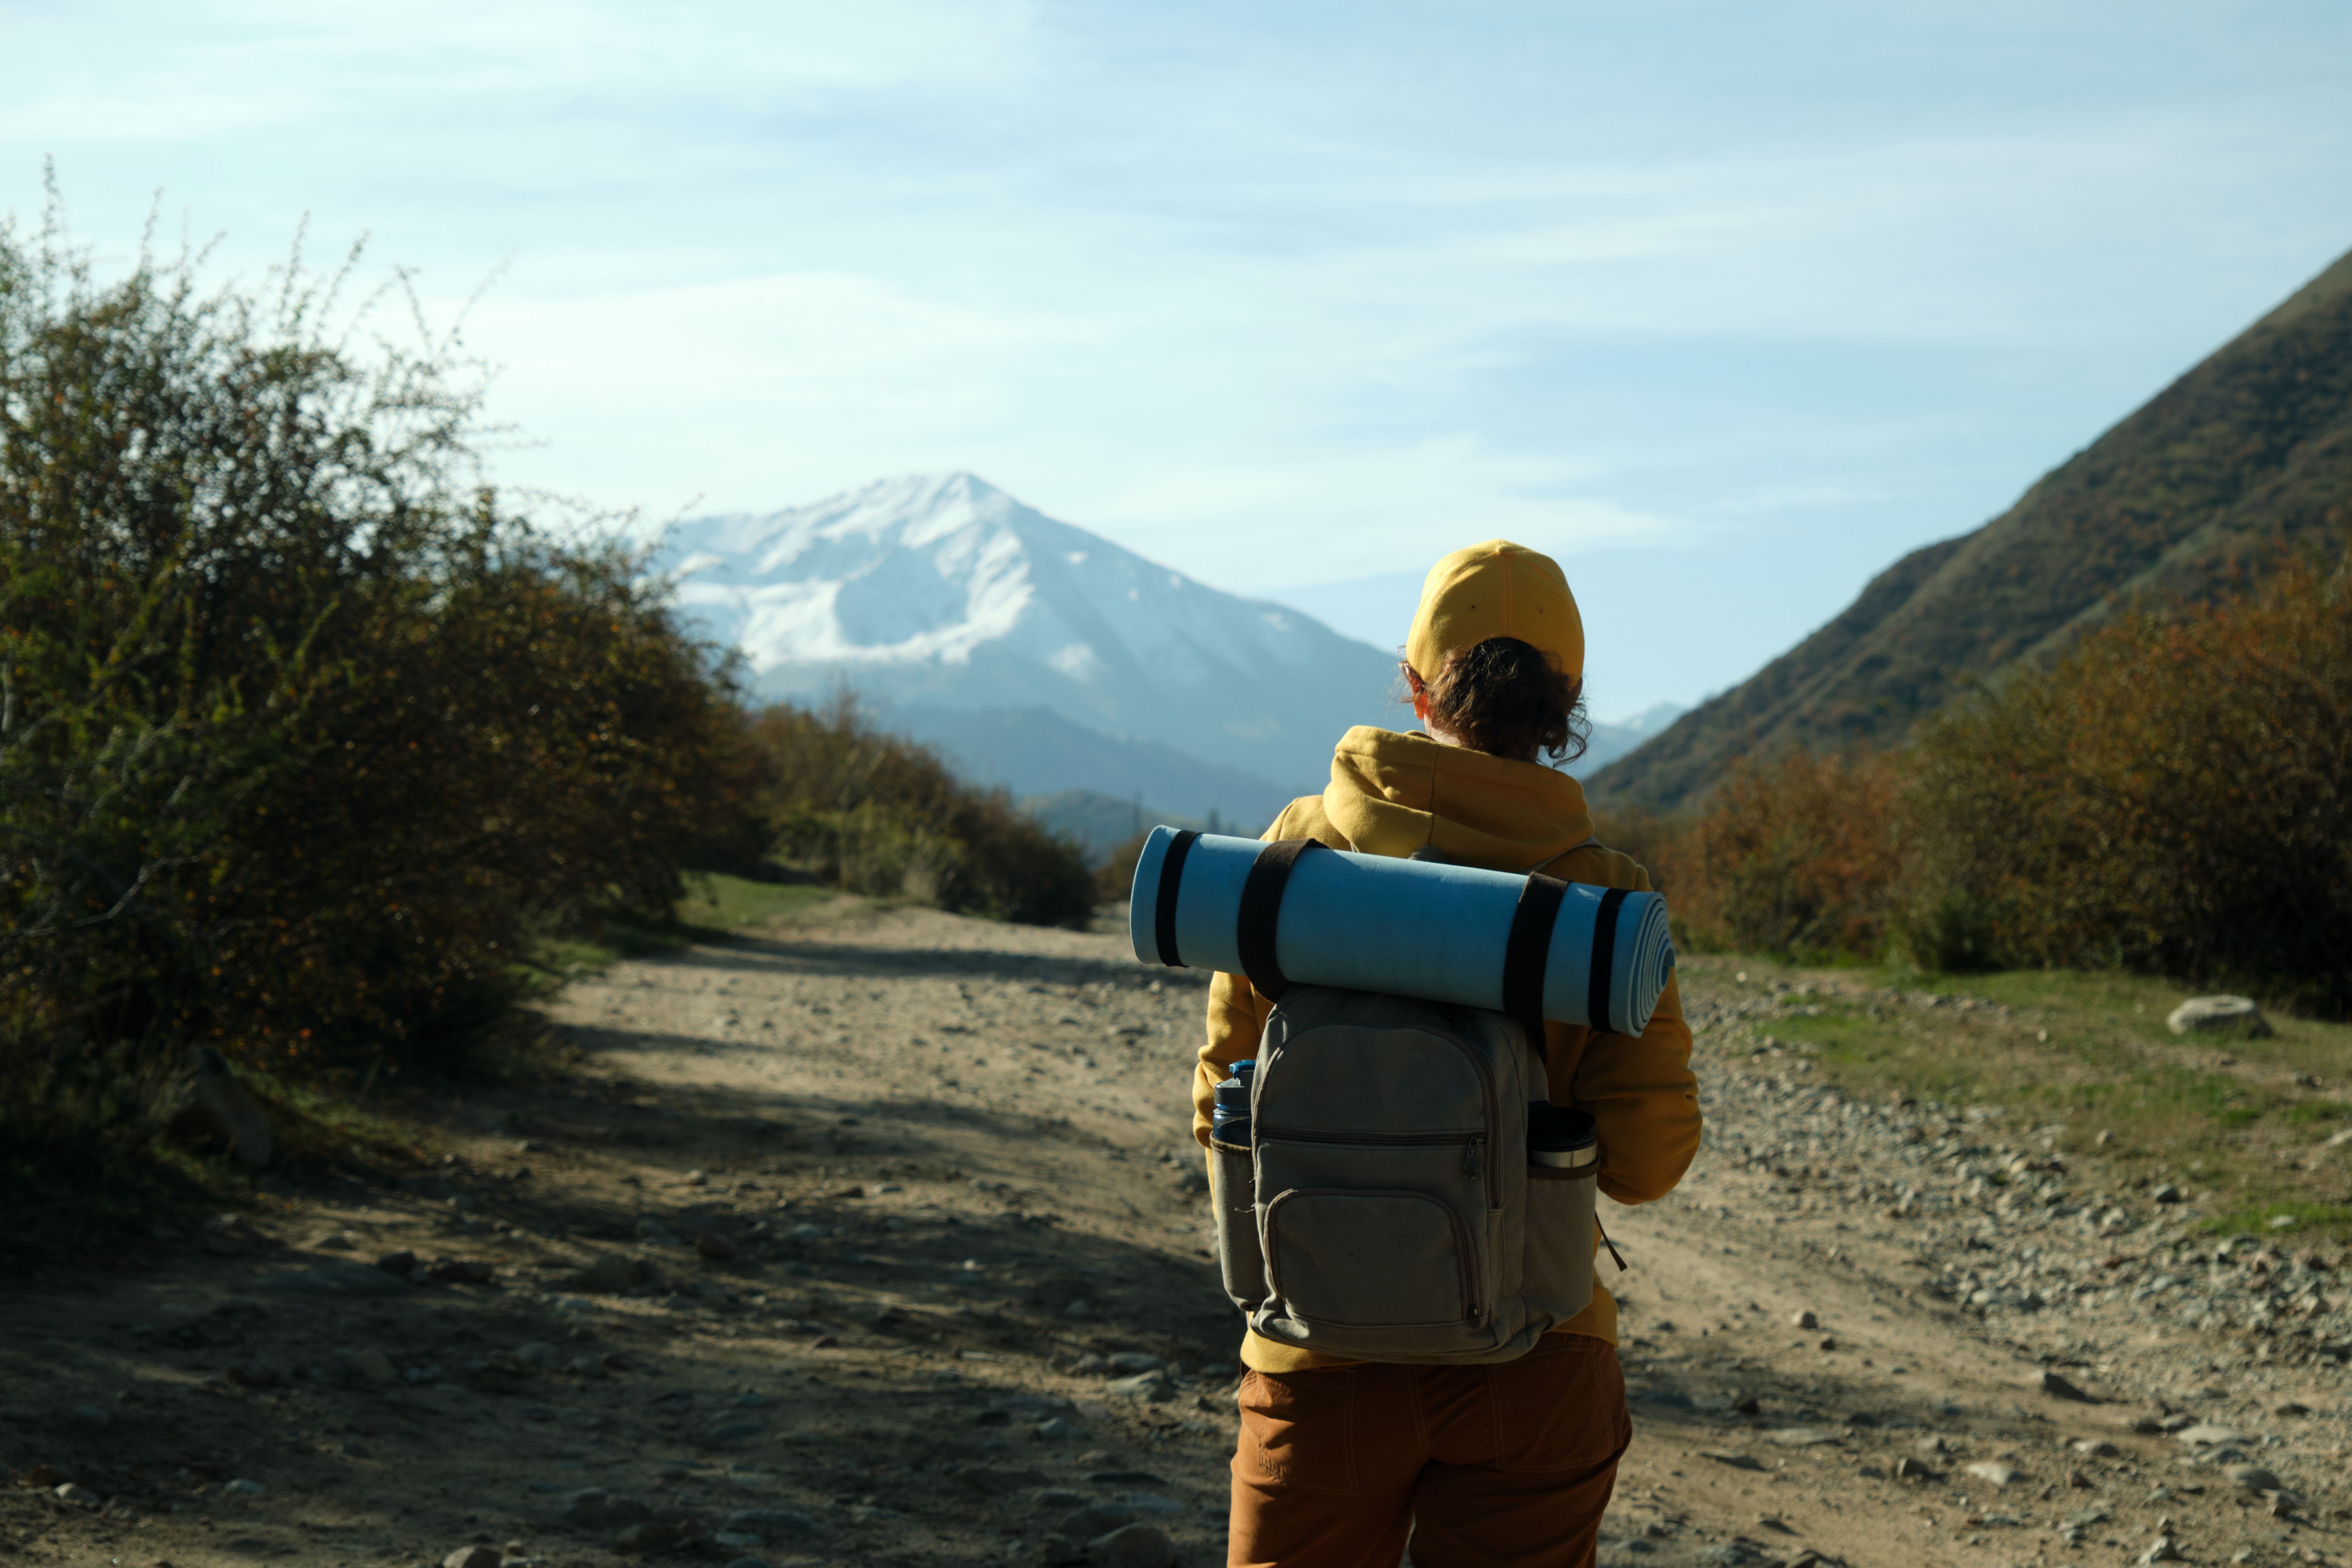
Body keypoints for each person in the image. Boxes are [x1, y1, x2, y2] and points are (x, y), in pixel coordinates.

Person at [1194, 540, 1702, 1568]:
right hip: (1538, 1357)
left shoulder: (1297, 851)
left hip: (1317, 1354)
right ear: (1563, 705)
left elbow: (1219, 1109)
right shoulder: (1605, 896)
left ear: (1417, 685)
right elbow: (1649, 1164)